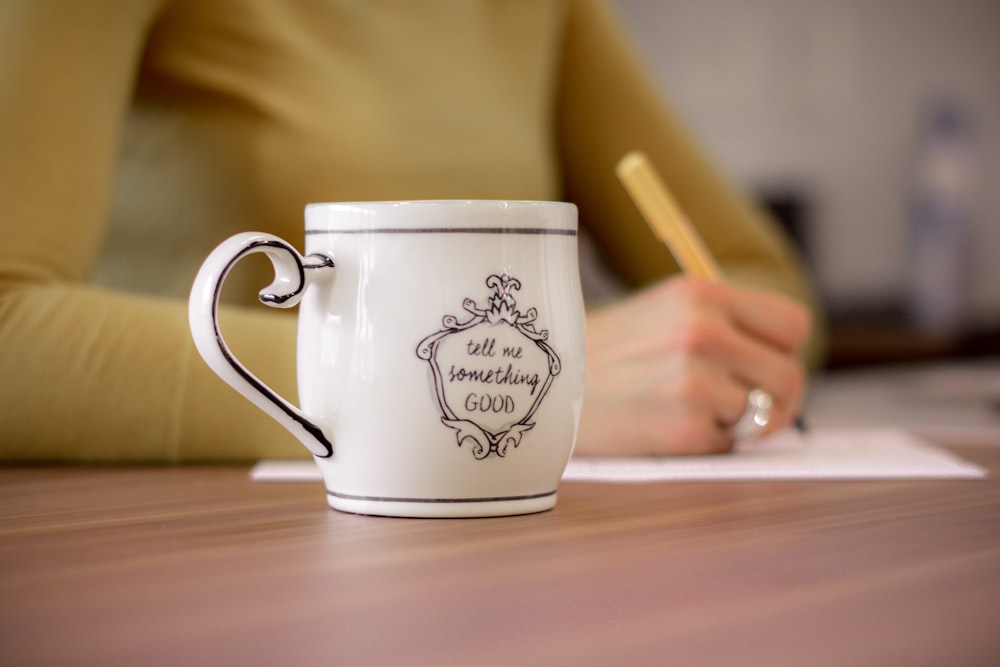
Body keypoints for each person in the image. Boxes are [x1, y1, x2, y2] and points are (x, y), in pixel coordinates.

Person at [0, 0, 822, 462]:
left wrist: (720, 367)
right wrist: (519, 387)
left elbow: (755, 281)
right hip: (210, 552)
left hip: (500, 547)